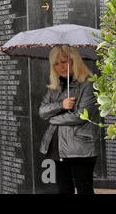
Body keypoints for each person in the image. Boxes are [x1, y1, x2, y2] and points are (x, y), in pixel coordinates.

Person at [39, 46, 99, 194]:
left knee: (84, 188)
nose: (60, 67)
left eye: (64, 61)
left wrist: (53, 119)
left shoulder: (88, 83)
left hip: (80, 148)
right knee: (64, 189)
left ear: (74, 61)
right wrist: (61, 104)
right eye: (56, 64)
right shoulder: (56, 85)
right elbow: (42, 111)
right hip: (56, 147)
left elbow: (80, 116)